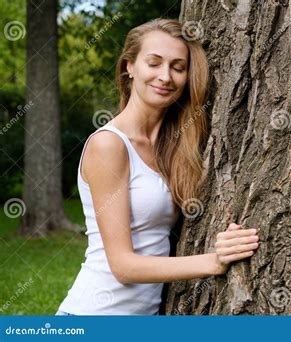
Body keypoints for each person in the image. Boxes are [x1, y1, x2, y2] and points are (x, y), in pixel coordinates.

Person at [56, 18, 259, 315]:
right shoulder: (109, 145)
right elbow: (123, 266)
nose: (165, 76)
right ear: (130, 67)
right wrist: (214, 261)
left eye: (178, 67)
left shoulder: (177, 147)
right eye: (154, 63)